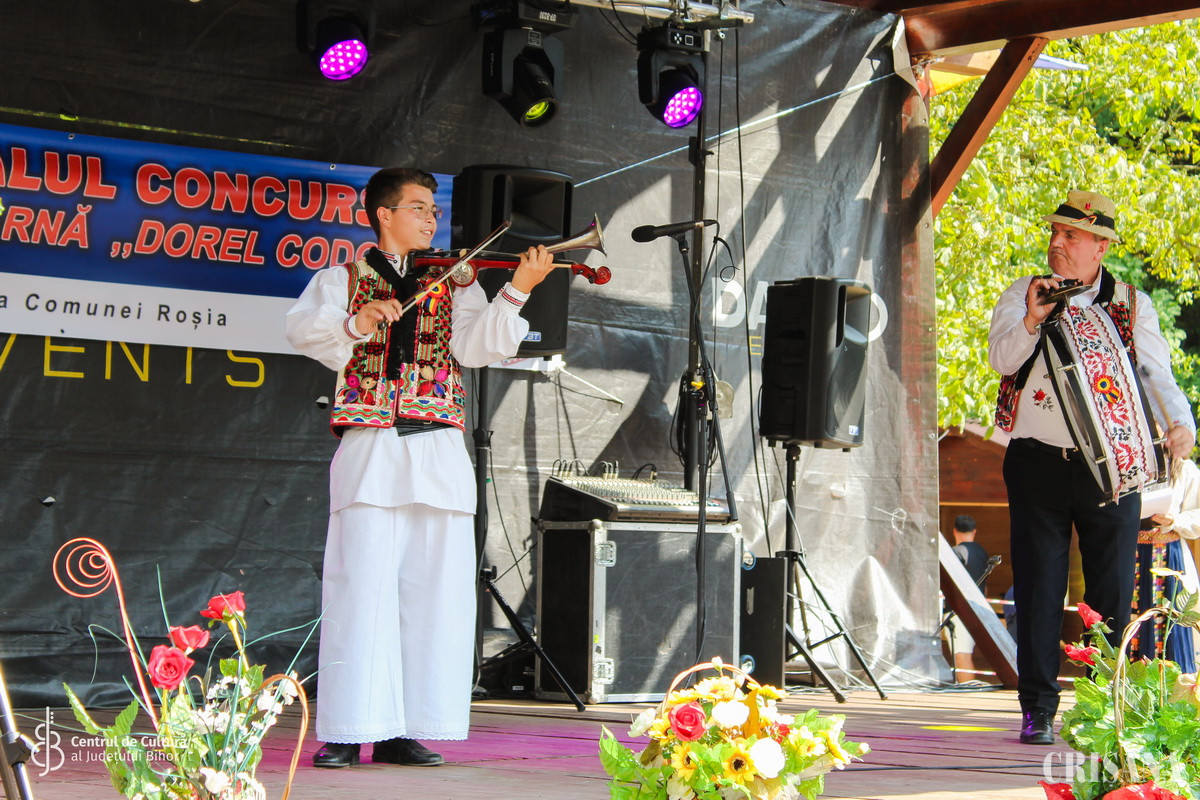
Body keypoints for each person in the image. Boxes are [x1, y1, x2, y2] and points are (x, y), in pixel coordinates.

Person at [285, 167, 554, 768]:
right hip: (372, 447)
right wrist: (357, 322)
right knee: (361, 590)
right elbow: (303, 332)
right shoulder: (341, 278)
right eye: (418, 207)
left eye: (434, 209)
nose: (431, 218)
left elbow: (477, 348)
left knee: (432, 592)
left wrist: (518, 289)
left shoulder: (457, 279)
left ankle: (403, 728)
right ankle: (348, 728)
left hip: (437, 450)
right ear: (384, 214)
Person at [987, 189, 1196, 745]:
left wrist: (1181, 423)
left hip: (1113, 470)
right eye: (1055, 233)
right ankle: (1038, 708)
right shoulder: (1024, 293)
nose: (1056, 242)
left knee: (1110, 592)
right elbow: (1001, 361)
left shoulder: (1132, 304)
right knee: (1039, 588)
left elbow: (1157, 374)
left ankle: (1104, 709)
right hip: (1036, 463)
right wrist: (1032, 319)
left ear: (1100, 247)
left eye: (1071, 235)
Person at [1131, 458, 1200, 670]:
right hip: (1132, 553)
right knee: (1132, 617)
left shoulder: (1184, 468)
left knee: (1171, 616)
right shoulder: (1129, 463)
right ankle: (1130, 681)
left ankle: (1173, 683)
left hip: (1170, 556)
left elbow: (1197, 516)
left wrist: (1174, 520)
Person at [948, 515, 989, 682]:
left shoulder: (956, 552)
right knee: (964, 652)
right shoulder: (983, 553)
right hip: (978, 608)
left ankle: (967, 689)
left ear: (954, 531)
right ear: (974, 531)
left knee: (961, 654)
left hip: (959, 610)